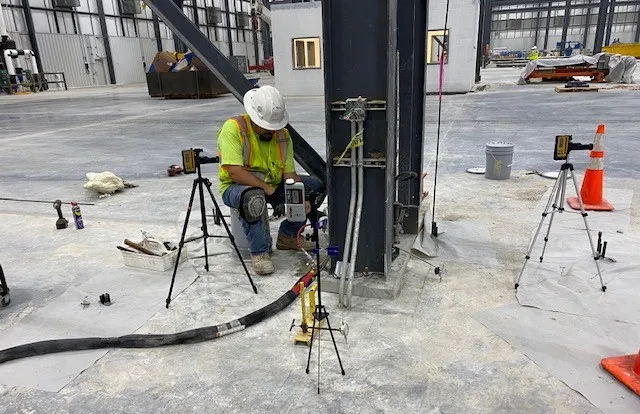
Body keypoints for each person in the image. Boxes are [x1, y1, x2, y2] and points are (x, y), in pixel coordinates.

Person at [217, 85, 323, 276]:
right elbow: (235, 172)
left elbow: (289, 174)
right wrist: (269, 190)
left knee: (314, 186)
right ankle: (260, 252)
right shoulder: (234, 128)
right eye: (266, 127)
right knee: (253, 198)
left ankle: (288, 236)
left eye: (273, 127)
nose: (270, 131)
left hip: (272, 185)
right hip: (237, 188)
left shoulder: (283, 135)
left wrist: (302, 195)